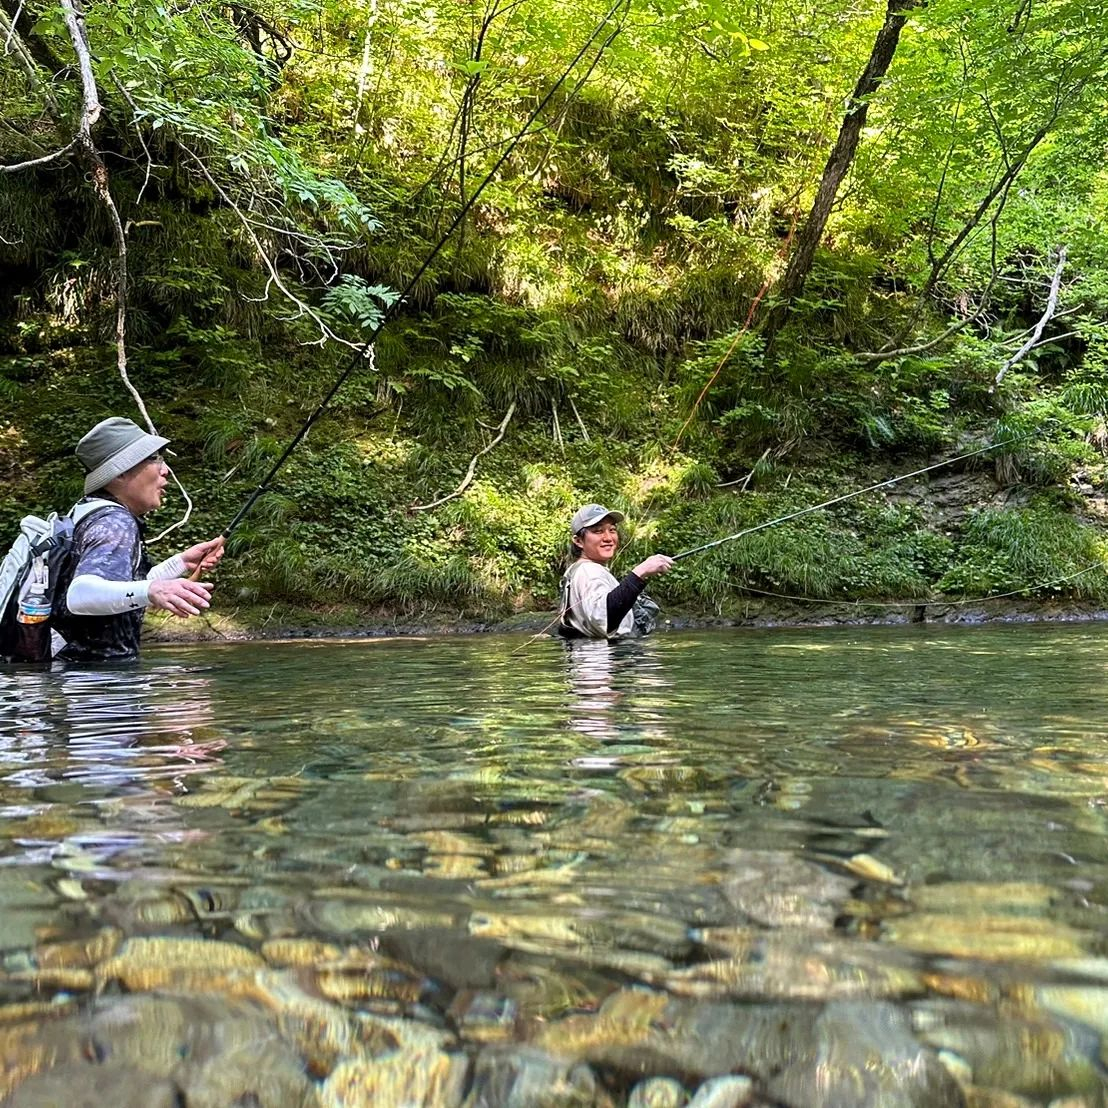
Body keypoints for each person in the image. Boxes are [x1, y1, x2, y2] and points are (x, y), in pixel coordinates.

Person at [51, 417, 225, 662]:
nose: (165, 470)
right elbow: (80, 596)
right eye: (154, 459)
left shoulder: (88, 512)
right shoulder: (114, 522)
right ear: (120, 473)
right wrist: (153, 590)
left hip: (73, 681)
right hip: (95, 686)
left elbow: (118, 589)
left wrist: (180, 563)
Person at [558, 503, 673, 639]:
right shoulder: (589, 571)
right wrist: (640, 572)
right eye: (598, 531)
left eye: (612, 530)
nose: (608, 538)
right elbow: (606, 617)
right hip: (608, 657)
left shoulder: (578, 570)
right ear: (578, 541)